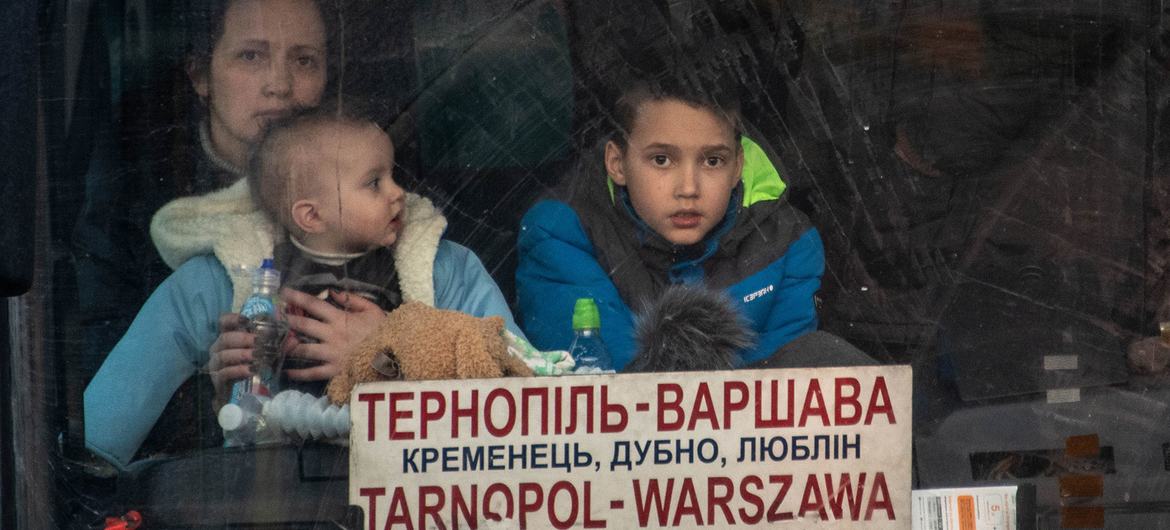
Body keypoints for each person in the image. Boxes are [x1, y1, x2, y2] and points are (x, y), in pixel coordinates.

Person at [83, 0, 394, 470]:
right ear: (200, 75)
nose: (280, 85)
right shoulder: (131, 210)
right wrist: (215, 399)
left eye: (304, 59)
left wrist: (391, 351)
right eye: (251, 56)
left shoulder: (390, 212)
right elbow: (95, 441)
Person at [515, 68, 827, 370]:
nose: (688, 188)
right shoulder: (561, 233)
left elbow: (781, 398)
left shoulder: (785, 242)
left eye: (713, 160)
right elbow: (609, 390)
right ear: (617, 163)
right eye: (661, 160)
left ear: (737, 167)